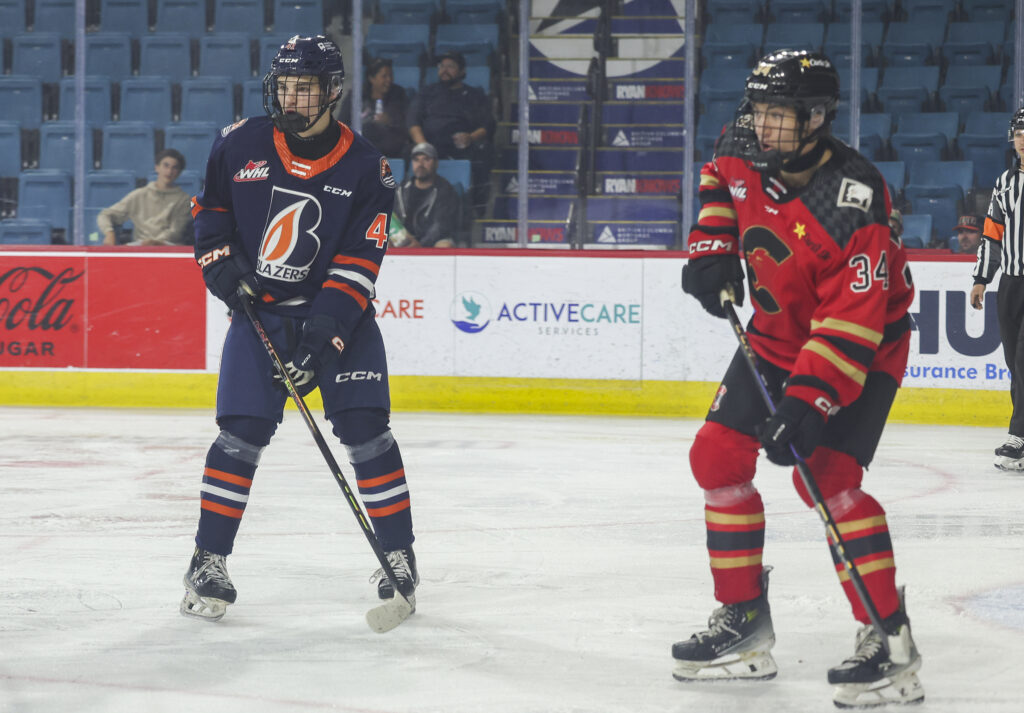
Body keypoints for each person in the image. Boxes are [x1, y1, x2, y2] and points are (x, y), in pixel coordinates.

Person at [675, 50, 923, 708]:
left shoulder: (856, 197)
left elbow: (854, 320)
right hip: (775, 335)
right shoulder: (741, 146)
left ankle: (886, 634)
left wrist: (808, 405)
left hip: (863, 350)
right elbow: (718, 186)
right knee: (716, 455)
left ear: (816, 118)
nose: (762, 125)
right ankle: (744, 620)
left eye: (778, 113)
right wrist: (712, 248)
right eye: (758, 108)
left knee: (830, 479)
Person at [181, 35, 418, 622]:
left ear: (333, 92)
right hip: (260, 313)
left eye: (304, 87)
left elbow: (359, 264)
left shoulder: (370, 169)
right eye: (284, 85)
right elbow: (209, 214)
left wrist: (324, 335)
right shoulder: (239, 144)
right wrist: (224, 270)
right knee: (239, 435)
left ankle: (399, 555)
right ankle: (207, 560)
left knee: (367, 431)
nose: (290, 98)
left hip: (338, 319)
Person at [970, 107, 1024, 471]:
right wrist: (981, 278)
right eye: (1019, 133)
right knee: (1013, 364)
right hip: (1011, 282)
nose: (1023, 140)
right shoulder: (1005, 182)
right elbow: (992, 233)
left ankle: (1017, 437)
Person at [407, 51, 495, 211]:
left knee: (484, 152)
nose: (444, 70)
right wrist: (423, 146)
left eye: (451, 66)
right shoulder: (427, 92)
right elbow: (413, 121)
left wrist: (471, 137)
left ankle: (476, 209)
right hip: (430, 143)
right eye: (442, 66)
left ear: (462, 72)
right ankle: (409, 204)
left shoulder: (474, 95)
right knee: (406, 152)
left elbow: (488, 125)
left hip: (460, 145)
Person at [97, 149, 192, 245]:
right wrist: (109, 233)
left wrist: (154, 242)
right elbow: (105, 215)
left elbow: (176, 231)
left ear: (179, 172)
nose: (169, 171)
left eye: (174, 168)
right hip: (140, 246)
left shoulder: (184, 199)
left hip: (169, 247)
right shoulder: (139, 195)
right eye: (166, 165)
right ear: (157, 167)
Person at [390, 142, 460, 248]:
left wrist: (420, 246)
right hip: (405, 240)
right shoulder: (400, 189)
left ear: (436, 163)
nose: (420, 164)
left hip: (432, 241)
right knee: (383, 243)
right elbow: (391, 219)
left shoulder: (446, 191)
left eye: (426, 159)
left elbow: (440, 227)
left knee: (444, 246)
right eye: (416, 160)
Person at [336, 57, 409, 158]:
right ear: (372, 78)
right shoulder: (356, 96)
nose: (389, 80)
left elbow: (406, 124)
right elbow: (342, 123)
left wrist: (390, 121)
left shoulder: (399, 94)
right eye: (384, 76)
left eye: (391, 75)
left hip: (390, 148)